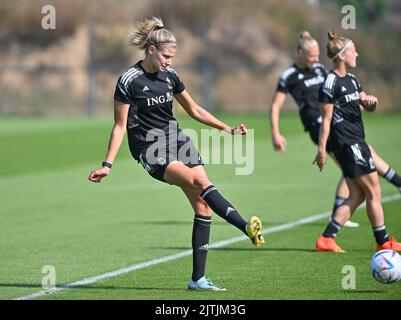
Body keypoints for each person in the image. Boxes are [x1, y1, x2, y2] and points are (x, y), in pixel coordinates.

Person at [87, 17, 265, 291]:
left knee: (203, 205)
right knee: (199, 183)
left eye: (173, 57)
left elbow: (194, 110)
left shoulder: (171, 76)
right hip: (150, 149)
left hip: (178, 139)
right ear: (151, 49)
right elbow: (120, 126)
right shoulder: (128, 81)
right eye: (166, 56)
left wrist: (226, 128)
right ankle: (245, 227)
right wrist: (107, 164)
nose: (169, 62)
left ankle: (198, 279)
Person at [269, 31, 401, 228]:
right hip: (320, 126)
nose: (315, 58)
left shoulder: (321, 70)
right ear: (300, 53)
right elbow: (275, 106)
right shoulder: (289, 75)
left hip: (338, 122)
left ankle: (341, 212)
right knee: (357, 160)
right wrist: (276, 133)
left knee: (358, 159)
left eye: (317, 54)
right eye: (311, 55)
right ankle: (392, 184)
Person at [313, 31, 401, 253]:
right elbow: (326, 120)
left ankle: (326, 238)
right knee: (375, 191)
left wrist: (372, 102)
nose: (357, 54)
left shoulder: (352, 80)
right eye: (353, 51)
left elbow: (366, 105)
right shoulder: (330, 82)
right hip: (348, 144)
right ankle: (382, 242)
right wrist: (322, 150)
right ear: (342, 56)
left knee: (358, 194)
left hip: (357, 142)